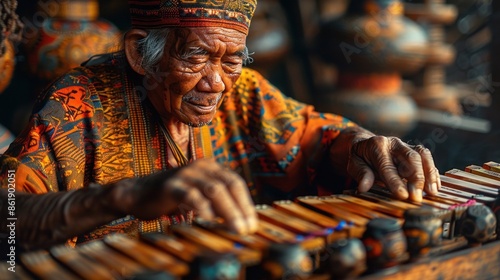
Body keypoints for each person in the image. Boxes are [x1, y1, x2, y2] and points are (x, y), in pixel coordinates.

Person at [0, 0, 440, 252]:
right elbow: (9, 219)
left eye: (231, 60)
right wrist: (126, 196)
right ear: (140, 55)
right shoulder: (78, 103)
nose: (215, 83)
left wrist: (362, 144)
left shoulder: (242, 89)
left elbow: (315, 139)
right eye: (195, 56)